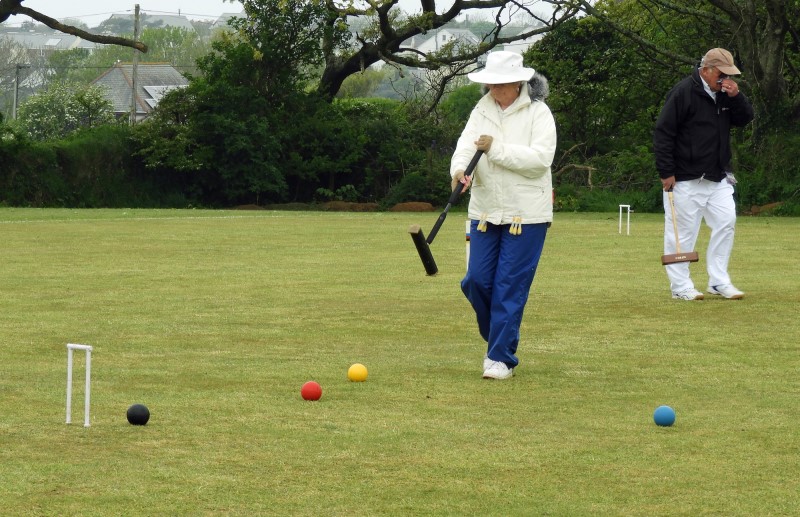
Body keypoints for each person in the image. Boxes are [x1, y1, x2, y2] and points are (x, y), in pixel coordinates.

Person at [450, 51, 557, 380]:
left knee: (509, 285)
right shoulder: (481, 111)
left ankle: (500, 358)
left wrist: (494, 148)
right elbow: (467, 147)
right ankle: (501, 333)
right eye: (489, 83)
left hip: (527, 215)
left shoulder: (539, 113)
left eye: (499, 83)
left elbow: (540, 159)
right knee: (476, 281)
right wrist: (458, 171)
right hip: (484, 210)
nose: (493, 89)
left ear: (518, 82)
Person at [653, 48, 754, 301]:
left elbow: (745, 119)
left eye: (729, 75)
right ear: (706, 69)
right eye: (721, 75)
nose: (725, 80)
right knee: (682, 233)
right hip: (685, 177)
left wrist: (736, 97)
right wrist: (666, 172)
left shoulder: (726, 95)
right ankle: (681, 287)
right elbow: (664, 133)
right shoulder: (683, 92)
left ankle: (718, 281)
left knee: (726, 222)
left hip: (718, 175)